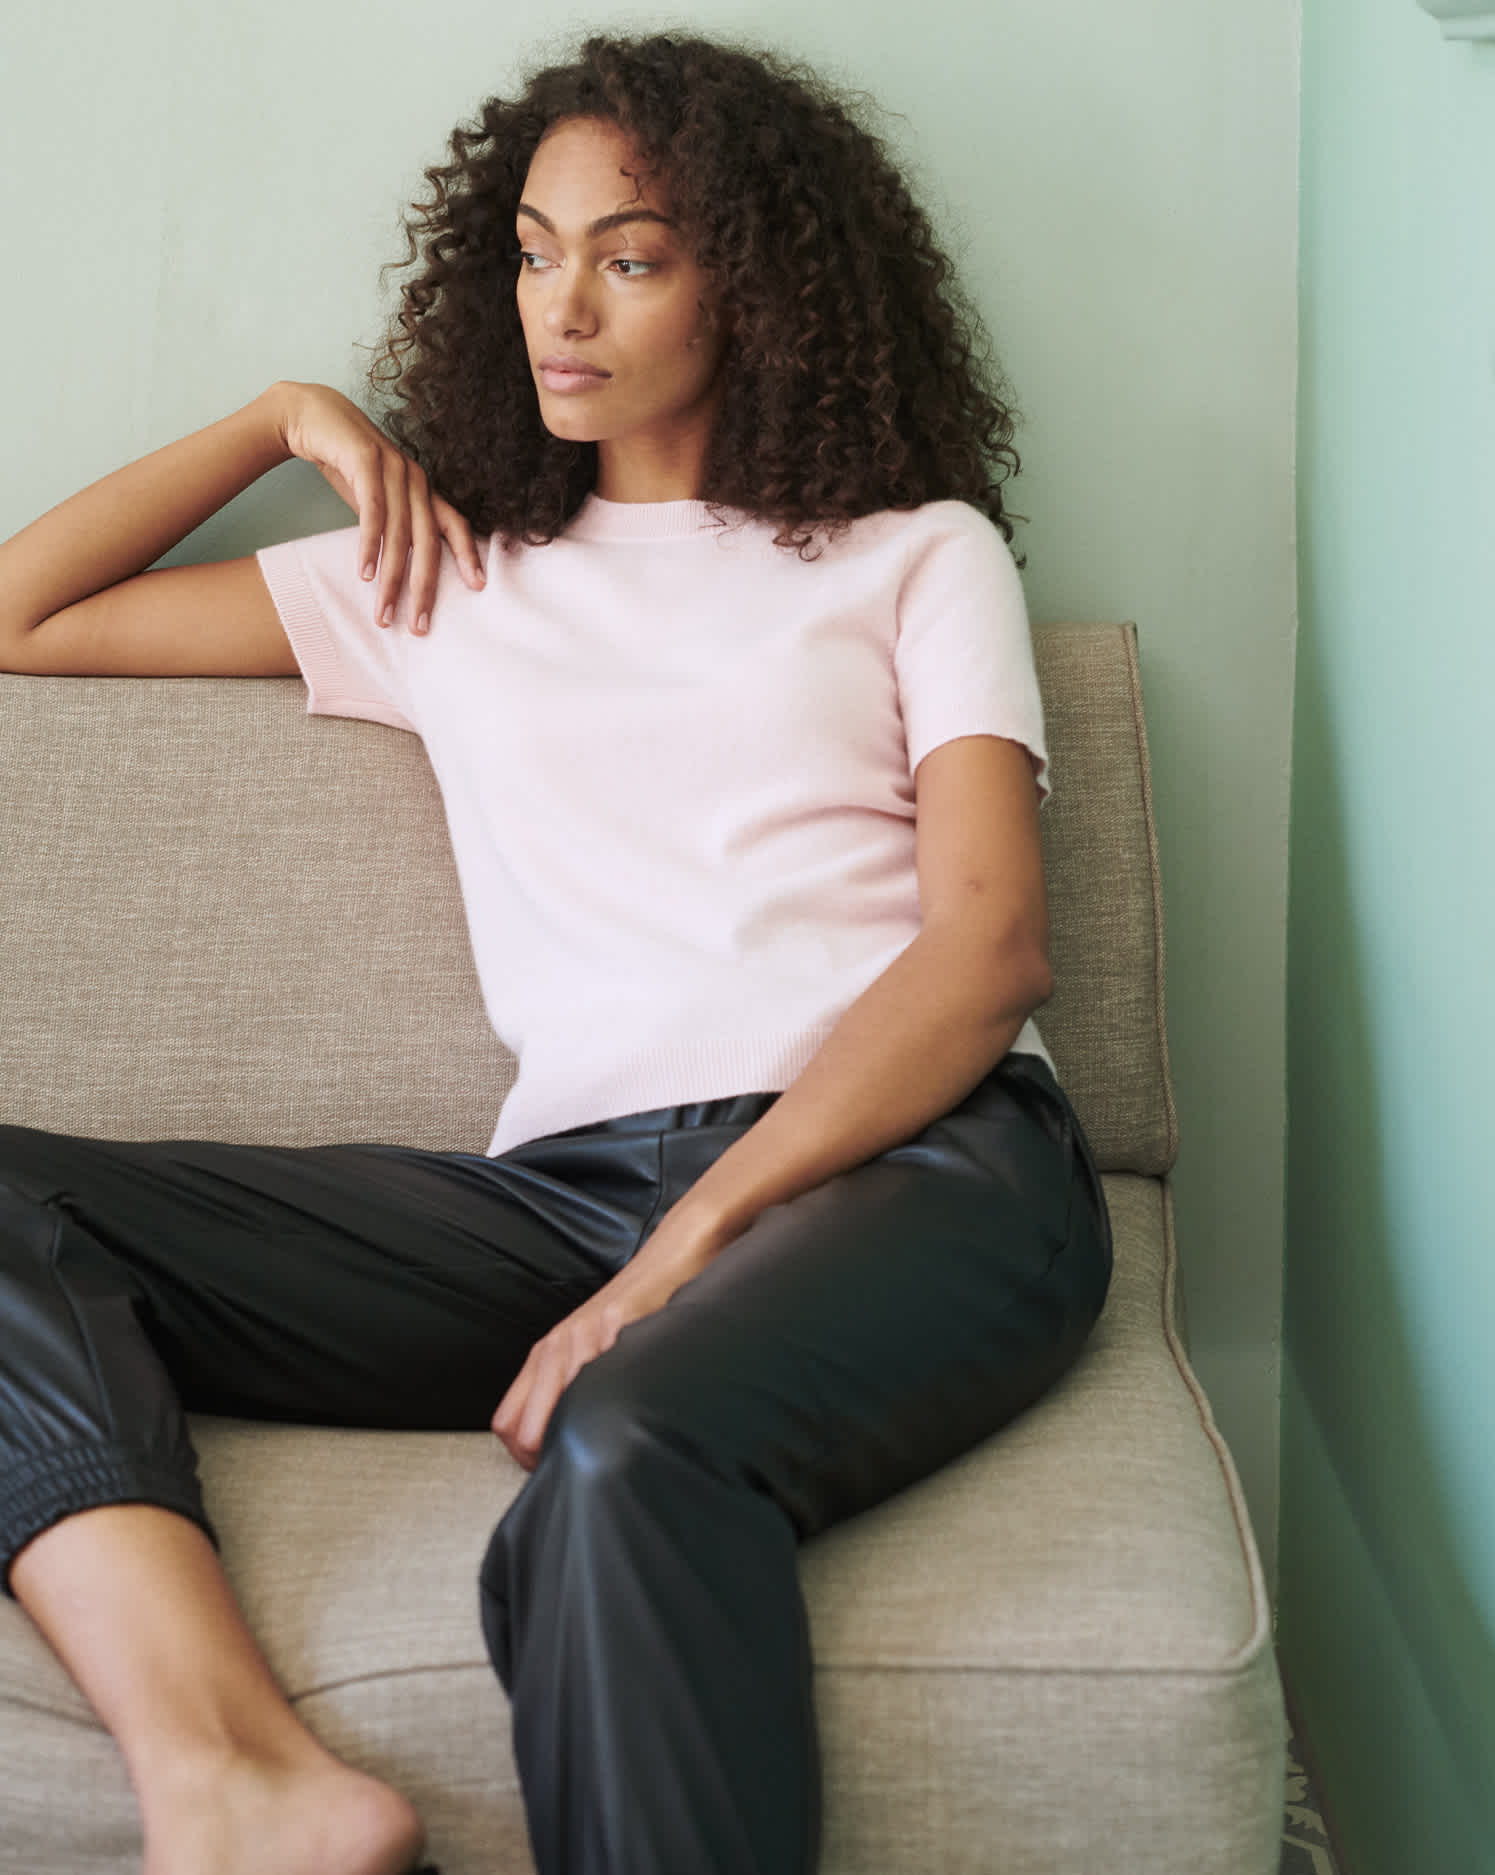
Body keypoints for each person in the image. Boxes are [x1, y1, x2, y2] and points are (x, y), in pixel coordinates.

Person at [0, 30, 1112, 1875]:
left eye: (632, 253)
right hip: (564, 1198)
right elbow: (22, 621)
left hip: (921, 1162)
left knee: (630, 1451)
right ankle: (238, 1778)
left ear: (751, 285)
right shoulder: (445, 576)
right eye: (531, 250)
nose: (560, 306)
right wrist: (289, 417)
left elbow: (988, 953)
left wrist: (683, 1253)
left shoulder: (917, 557)